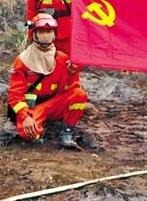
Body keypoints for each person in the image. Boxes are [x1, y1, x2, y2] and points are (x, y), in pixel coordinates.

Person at [7, 13, 88, 148]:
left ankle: (67, 133)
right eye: (41, 31)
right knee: (27, 133)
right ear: (33, 34)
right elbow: (15, 95)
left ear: (54, 33)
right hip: (32, 109)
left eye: (49, 31)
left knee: (79, 95)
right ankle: (37, 125)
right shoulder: (22, 61)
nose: (46, 35)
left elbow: (68, 91)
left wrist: (70, 74)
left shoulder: (62, 59)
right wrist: (25, 116)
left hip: (53, 105)